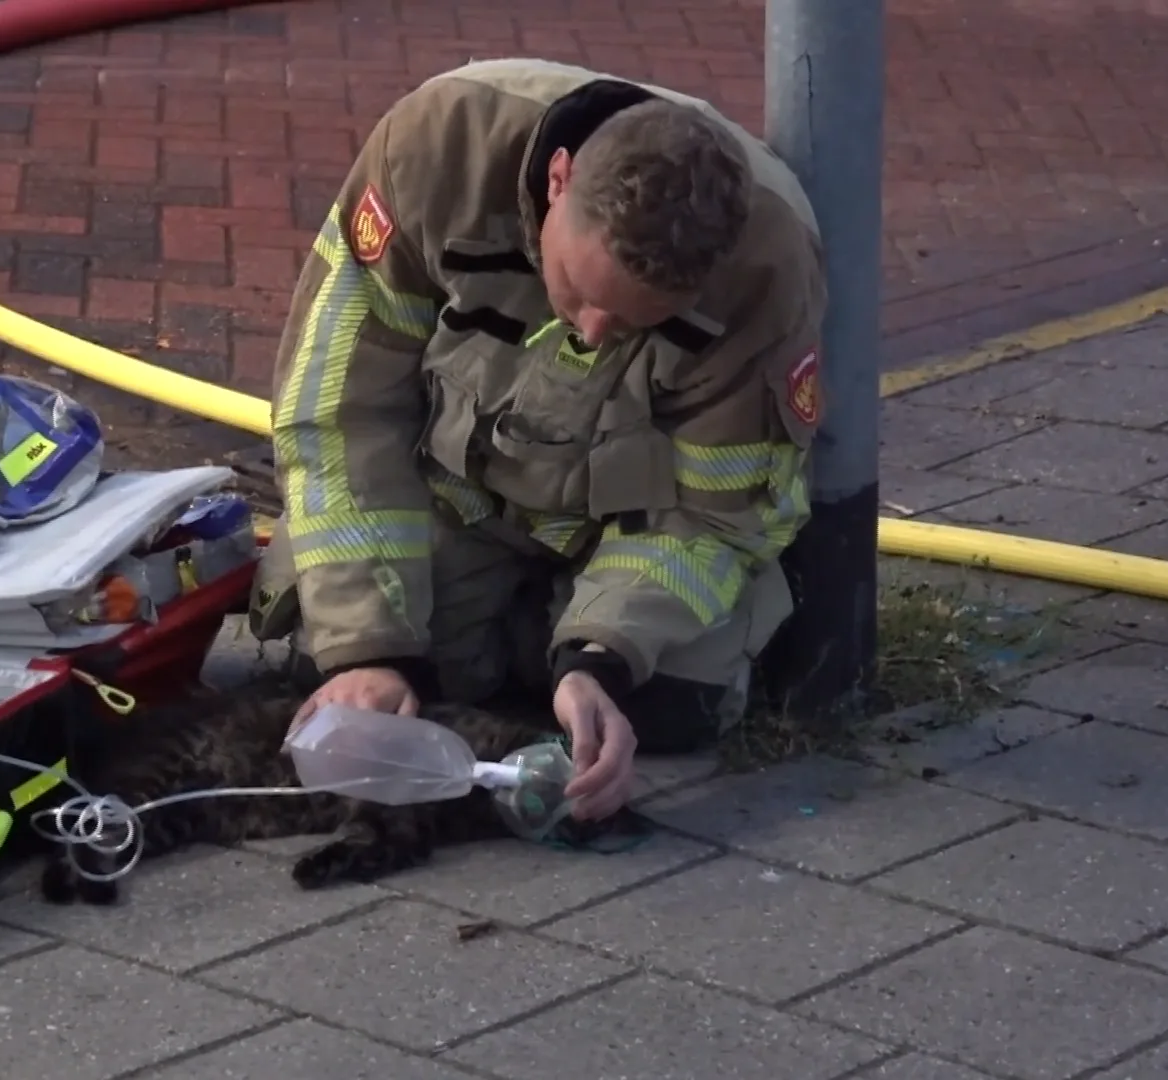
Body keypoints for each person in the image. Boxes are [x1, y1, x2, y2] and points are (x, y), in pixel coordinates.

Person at [247, 59, 829, 824]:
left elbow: (720, 512)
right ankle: (495, 645)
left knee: (670, 703)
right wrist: (370, 650)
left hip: (619, 531)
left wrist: (600, 659)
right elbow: (340, 410)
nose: (593, 330)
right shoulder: (433, 152)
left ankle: (550, 649)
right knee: (347, 671)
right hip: (452, 501)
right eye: (578, 290)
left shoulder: (767, 268)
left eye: (636, 321)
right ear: (557, 179)